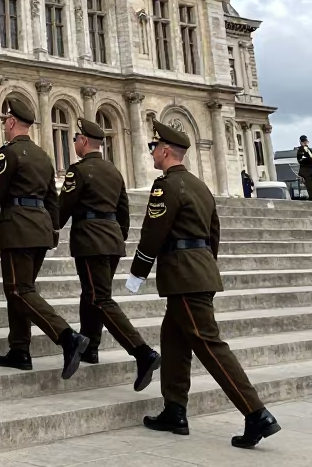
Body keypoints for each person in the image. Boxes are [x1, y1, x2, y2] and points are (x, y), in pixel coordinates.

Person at [128, 121, 280, 448]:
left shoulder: (165, 186)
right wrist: (204, 264)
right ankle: (175, 409)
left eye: (154, 147)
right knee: (173, 343)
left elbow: (153, 234)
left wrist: (138, 272)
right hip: (199, 270)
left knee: (209, 345)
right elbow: (214, 234)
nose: (151, 152)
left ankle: (256, 413)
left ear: (166, 150)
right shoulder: (200, 186)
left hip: (183, 276)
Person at [0, 97, 88, 377]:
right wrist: (54, 230)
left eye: (5, 122)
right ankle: (19, 349)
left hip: (18, 228)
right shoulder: (42, 155)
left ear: (11, 122)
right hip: (40, 228)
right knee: (21, 289)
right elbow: (53, 197)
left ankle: (66, 336)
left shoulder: (8, 153)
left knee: (19, 290)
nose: (4, 126)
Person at [59, 117, 160, 390]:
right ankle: (90, 345)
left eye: (76, 139)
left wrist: (51, 228)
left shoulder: (78, 171)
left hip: (90, 240)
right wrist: (117, 236)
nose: (75, 144)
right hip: (112, 239)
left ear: (83, 141)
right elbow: (124, 211)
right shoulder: (114, 172)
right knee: (91, 293)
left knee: (98, 297)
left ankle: (142, 352)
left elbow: (62, 208)